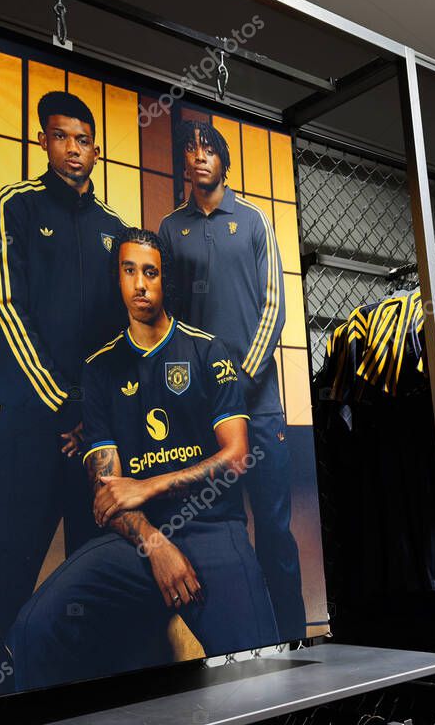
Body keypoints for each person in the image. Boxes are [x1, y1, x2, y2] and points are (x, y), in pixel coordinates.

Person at [6, 228, 279, 691]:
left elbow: (236, 456)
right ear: (118, 278)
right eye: (128, 271)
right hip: (136, 540)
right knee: (35, 628)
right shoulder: (99, 370)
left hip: (212, 528)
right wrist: (155, 544)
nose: (139, 284)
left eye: (150, 272)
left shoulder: (208, 350)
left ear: (163, 279)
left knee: (259, 667)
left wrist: (149, 484)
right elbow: (107, 494)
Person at [0, 91, 127, 696]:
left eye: (83, 140)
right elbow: (6, 305)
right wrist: (61, 402)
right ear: (43, 141)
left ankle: (90, 699)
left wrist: (94, 413)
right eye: (61, 137)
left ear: (96, 149)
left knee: (97, 577)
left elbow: (120, 335)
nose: (73, 149)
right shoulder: (14, 206)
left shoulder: (114, 229)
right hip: (27, 431)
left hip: (94, 442)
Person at [157, 121, 305, 638]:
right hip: (202, 414)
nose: (198, 156)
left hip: (257, 405)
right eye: (190, 149)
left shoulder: (254, 220)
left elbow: (275, 306)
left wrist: (239, 382)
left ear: (223, 159)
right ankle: (239, 638)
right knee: (216, 530)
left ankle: (292, 637)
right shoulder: (170, 229)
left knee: (274, 528)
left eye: (208, 149)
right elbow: (168, 317)